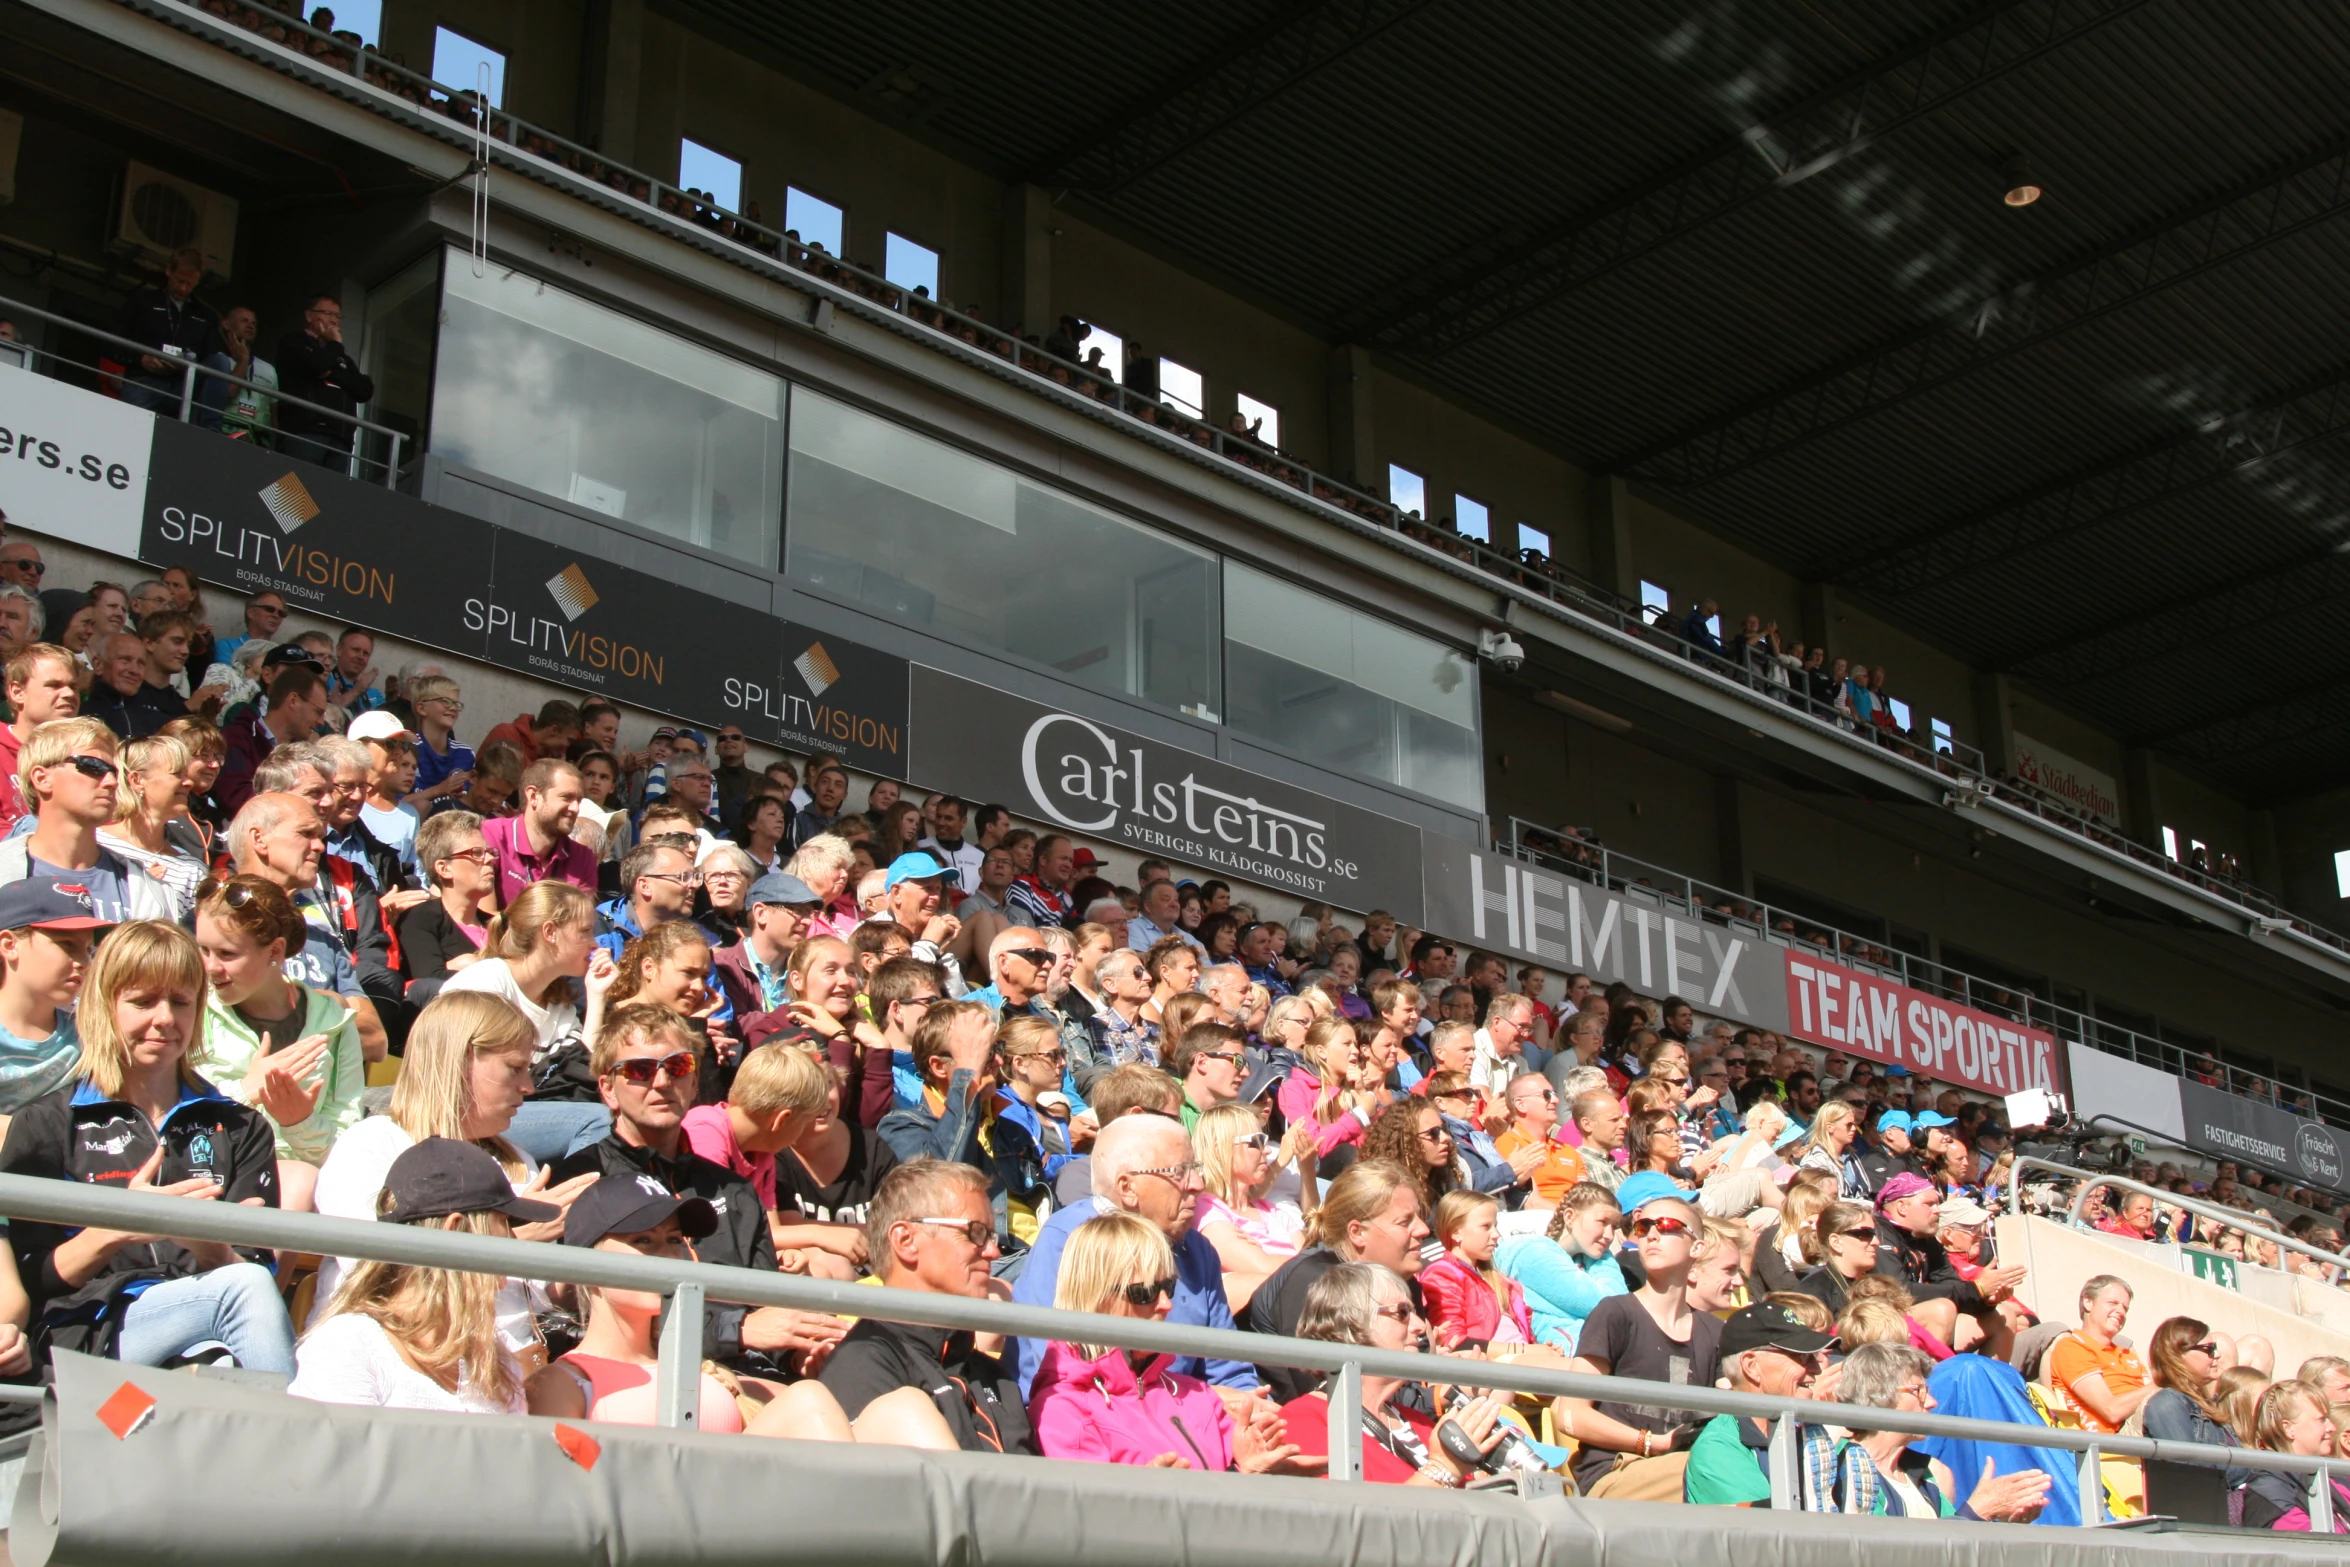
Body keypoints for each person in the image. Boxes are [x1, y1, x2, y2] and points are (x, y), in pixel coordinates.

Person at [0, 920, 294, 1373]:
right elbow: (31, 1277)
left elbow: (255, 1267)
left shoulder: (239, 1126)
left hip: (207, 1329)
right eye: (142, 1002)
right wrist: (119, 1227)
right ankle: (297, 1439)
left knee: (225, 1353)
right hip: (87, 1334)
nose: (164, 1018)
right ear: (105, 1006)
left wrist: (209, 1247)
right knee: (242, 1291)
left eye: (181, 1002)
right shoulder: (47, 1122)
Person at [549, 1002, 846, 1375]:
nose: (661, 1083)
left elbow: (765, 1311)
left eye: (677, 1067)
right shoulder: (583, 1182)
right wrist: (737, 1331)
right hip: (646, 1378)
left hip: (749, 1372)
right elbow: (598, 1319)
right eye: (640, 1070)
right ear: (608, 1088)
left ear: (693, 1082)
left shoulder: (733, 1188)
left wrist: (800, 1356)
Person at [289, 1137, 560, 1412]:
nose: (512, 1239)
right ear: (454, 1231)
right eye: (503, 1222)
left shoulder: (495, 1362)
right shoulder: (346, 1347)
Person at [1027, 1211, 1299, 1472]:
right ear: (1096, 1297)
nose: (1166, 1304)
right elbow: (1089, 1514)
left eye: (1168, 1287)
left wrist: (1248, 1472)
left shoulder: (1195, 1394)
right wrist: (1147, 1498)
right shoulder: (1064, 1409)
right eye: (1144, 1292)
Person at [1011, 1111, 1257, 1397]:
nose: (1197, 1184)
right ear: (1127, 1188)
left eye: (1196, 1168)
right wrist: (1200, 1400)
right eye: (1179, 1172)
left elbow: (1229, 1371)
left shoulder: (1197, 1251)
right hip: (1095, 1425)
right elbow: (1068, 1377)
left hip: (1192, 1419)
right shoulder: (1070, 1241)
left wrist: (1252, 1410)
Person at [817, 1157, 1035, 1452]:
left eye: (992, 1235)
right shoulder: (863, 1363)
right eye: (975, 1233)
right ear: (906, 1240)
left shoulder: (991, 1373)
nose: (994, 1251)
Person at [192, 874, 364, 1210]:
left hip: (304, 1188)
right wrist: (245, 1092)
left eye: (226, 954)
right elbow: (173, 1120)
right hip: (209, 1178)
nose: (210, 968)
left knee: (300, 1180)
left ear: (275, 951)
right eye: (203, 950)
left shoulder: (335, 1023)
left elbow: (344, 1147)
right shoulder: (194, 1012)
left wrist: (299, 1122)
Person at [1275, 1262, 1510, 1486]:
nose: (1419, 1326)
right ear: (1353, 1323)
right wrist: (1444, 1468)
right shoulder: (1303, 1419)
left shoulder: (1417, 1422)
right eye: (1402, 1313)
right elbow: (1355, 1519)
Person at [1561, 1189, 1721, 1499]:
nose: (1652, 1235)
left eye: (1667, 1226)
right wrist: (1652, 1442)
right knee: (1714, 1470)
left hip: (1688, 1469)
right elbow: (1570, 1414)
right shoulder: (1615, 1313)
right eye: (1643, 1227)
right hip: (1619, 1471)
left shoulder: (1715, 1332)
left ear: (1697, 1248)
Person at [442, 880, 619, 1161]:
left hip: (519, 1113)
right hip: (463, 1118)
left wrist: (597, 996)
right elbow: (449, 1077)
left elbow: (582, 1073)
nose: (594, 944)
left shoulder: (560, 1004)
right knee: (598, 1120)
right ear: (550, 932)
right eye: (585, 931)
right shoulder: (486, 982)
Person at [1244, 1160, 1429, 1399]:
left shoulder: (1401, 1280)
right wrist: (1434, 1399)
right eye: (1405, 1222)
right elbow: (1340, 1395)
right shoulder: (1312, 1284)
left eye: (1420, 1216)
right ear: (1357, 1233)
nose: (1424, 1229)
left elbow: (1417, 1376)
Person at [1828, 1342, 2052, 1519]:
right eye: (1919, 1391)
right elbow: (1889, 1552)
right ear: (1877, 1394)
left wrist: (2000, 1519)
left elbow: (1953, 1549)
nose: (1932, 1402)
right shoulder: (1846, 1467)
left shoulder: (1928, 1474)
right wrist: (1977, 1511)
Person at [2, 719, 176, 923]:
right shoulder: (4, 872)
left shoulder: (149, 890)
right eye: (93, 766)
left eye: (114, 773)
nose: (111, 782)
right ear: (42, 779)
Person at [1681, 1300, 1840, 1507]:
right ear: (1751, 1366)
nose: (1816, 1369)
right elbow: (1764, 1531)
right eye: (1802, 1356)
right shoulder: (1718, 1448)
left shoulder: (1816, 1437)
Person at [0, 880, 108, 1115]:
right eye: (67, 945)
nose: (84, 962)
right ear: (9, 945)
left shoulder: (89, 1035)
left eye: (89, 949)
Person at [1189, 1100, 1304, 1311]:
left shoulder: (1273, 1211)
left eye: (1266, 1141)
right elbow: (1262, 1267)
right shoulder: (1206, 1210)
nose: (1267, 1151)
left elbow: (1312, 1265)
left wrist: (1270, 1257)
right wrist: (1294, 1261)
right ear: (1219, 1149)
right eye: (1256, 1141)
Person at [1496, 1181, 1627, 1352]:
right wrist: (1605, 1258)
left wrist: (1601, 1256)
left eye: (1614, 1227)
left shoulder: (1586, 1263)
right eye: (1602, 1222)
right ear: (1570, 1217)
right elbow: (1612, 1307)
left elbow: (1622, 1310)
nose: (1610, 1235)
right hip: (1563, 1360)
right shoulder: (1534, 1254)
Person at [96, 734, 205, 921]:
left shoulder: (192, 870)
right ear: (137, 780)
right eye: (178, 774)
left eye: (187, 775)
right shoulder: (96, 845)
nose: (189, 783)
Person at [394, 810, 494, 1004]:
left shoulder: (499, 925)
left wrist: (468, 965)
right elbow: (429, 983)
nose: (489, 859)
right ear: (443, 868)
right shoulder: (420, 919)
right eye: (476, 853)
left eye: (490, 852)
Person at [1419, 1189, 1536, 1352]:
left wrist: (1541, 1349)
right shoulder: (1443, 1274)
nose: (1496, 1234)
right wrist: (1525, 1351)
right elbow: (1452, 1340)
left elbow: (1527, 1330)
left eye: (1495, 1226)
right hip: (1489, 1365)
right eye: (1485, 1227)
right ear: (1456, 1232)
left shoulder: (1503, 1282)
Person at [275, 291, 376, 469]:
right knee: (294, 494)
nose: (334, 320)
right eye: (327, 314)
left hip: (341, 438)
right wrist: (335, 345)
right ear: (309, 315)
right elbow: (317, 365)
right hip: (305, 432)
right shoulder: (294, 342)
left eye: (337, 316)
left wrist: (331, 372)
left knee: (329, 496)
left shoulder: (341, 357)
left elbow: (365, 390)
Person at [2047, 1274, 2153, 1435]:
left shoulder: (2127, 1354)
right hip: (2111, 1439)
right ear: (2088, 1302)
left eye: (2125, 1308)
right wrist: (2165, 1384)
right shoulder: (2072, 1348)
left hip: (2142, 1426)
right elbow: (2111, 1410)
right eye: (2113, 1303)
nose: (2120, 1311)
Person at [481, 759, 597, 904]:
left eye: (579, 801)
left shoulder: (583, 858)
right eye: (566, 797)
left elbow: (580, 922)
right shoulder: (491, 835)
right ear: (534, 796)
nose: (575, 808)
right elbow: (482, 916)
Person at [2239, 1381, 2350, 1531]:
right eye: (2321, 1419)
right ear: (2288, 1428)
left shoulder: (2331, 1477)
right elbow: (2314, 1545)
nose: (2332, 1427)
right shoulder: (2270, 1489)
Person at [0, 645, 82, 830]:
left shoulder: (89, 756)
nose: (69, 694)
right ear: (18, 692)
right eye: (54, 685)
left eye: (73, 686)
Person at [1494, 1072, 1585, 1207]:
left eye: (1554, 1093)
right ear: (1521, 1104)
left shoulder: (1569, 1150)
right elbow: (1530, 1202)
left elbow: (1586, 1195)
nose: (1555, 1100)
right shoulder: (1508, 1144)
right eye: (1546, 1095)